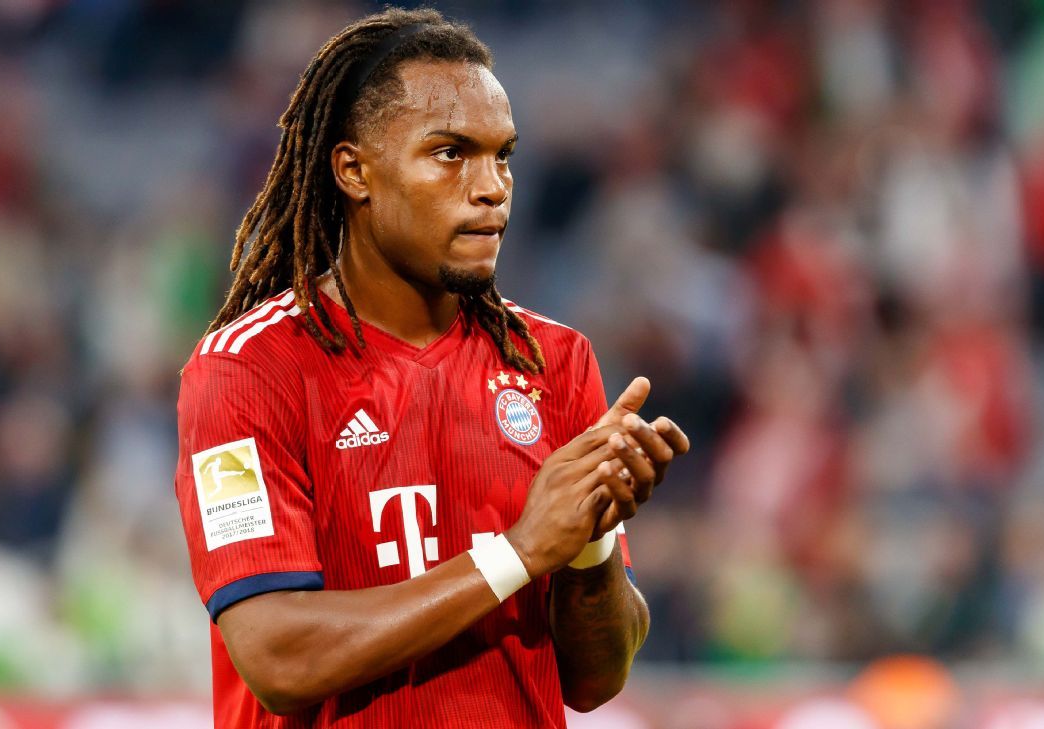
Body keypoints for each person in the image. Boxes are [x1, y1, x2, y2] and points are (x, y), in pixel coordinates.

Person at [173, 8, 690, 728]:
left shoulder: (553, 361)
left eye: (503, 156)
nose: (492, 187)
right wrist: (519, 552)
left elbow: (594, 680)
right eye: (451, 153)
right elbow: (278, 658)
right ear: (354, 171)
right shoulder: (247, 370)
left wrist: (591, 536)